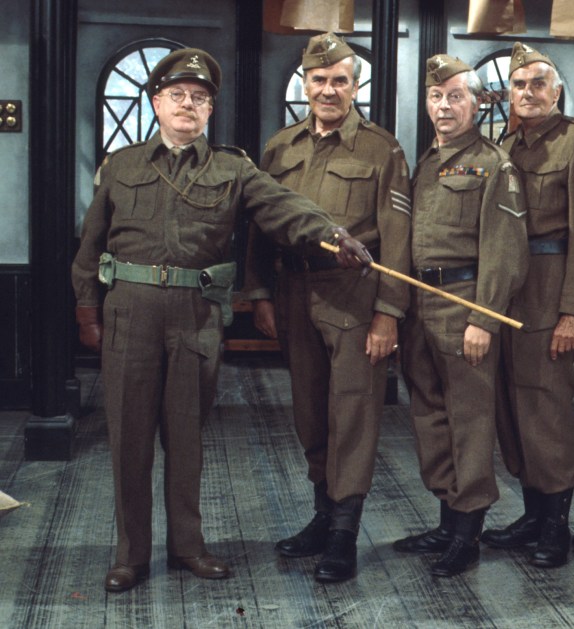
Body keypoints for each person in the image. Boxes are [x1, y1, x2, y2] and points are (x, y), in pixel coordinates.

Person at [71, 48, 371, 593]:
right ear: (157, 101)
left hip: (195, 317)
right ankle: (130, 555)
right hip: (130, 315)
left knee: (186, 439)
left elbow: (284, 207)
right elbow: (90, 246)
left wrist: (333, 235)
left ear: (210, 110)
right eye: (178, 95)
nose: (189, 104)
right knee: (129, 441)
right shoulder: (122, 166)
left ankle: (188, 546)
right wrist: (87, 308)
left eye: (200, 98)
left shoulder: (233, 169)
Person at [241, 33, 411, 583]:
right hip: (293, 295)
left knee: (353, 415)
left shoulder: (381, 149)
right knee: (309, 412)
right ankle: (321, 514)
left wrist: (389, 312)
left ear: (355, 86)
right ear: (305, 85)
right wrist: (260, 292)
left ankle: (344, 534)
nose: (329, 90)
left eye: (340, 80)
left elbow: (397, 237)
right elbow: (262, 226)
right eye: (319, 80)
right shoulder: (279, 148)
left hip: (353, 296)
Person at [392, 54, 528, 577]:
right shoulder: (427, 160)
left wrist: (484, 318)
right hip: (420, 305)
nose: (444, 106)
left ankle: (468, 531)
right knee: (429, 416)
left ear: (477, 102)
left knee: (470, 421)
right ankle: (448, 518)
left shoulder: (494, 164)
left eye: (455, 96)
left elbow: (504, 249)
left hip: (465, 304)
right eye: (435, 96)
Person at [483, 42, 574, 569]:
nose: (529, 92)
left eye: (539, 83)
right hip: (503, 288)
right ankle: (534, 511)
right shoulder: (501, 142)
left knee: (545, 406)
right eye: (520, 85)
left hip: (549, 285)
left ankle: (556, 522)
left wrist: (573, 312)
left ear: (557, 91)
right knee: (510, 409)